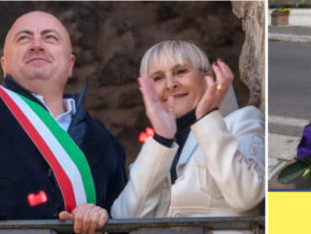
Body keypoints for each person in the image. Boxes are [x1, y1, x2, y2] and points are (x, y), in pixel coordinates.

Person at [0, 2, 126, 234]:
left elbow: (125, 220)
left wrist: (101, 221)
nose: (37, 45)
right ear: (4, 65)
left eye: (50, 38)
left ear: (70, 65)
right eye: (24, 38)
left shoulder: (105, 143)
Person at [111, 40, 264, 225]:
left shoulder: (241, 121)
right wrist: (161, 140)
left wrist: (207, 118)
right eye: (158, 77)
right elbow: (124, 219)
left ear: (206, 77)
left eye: (180, 72)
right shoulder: (154, 150)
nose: (170, 84)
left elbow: (246, 195)